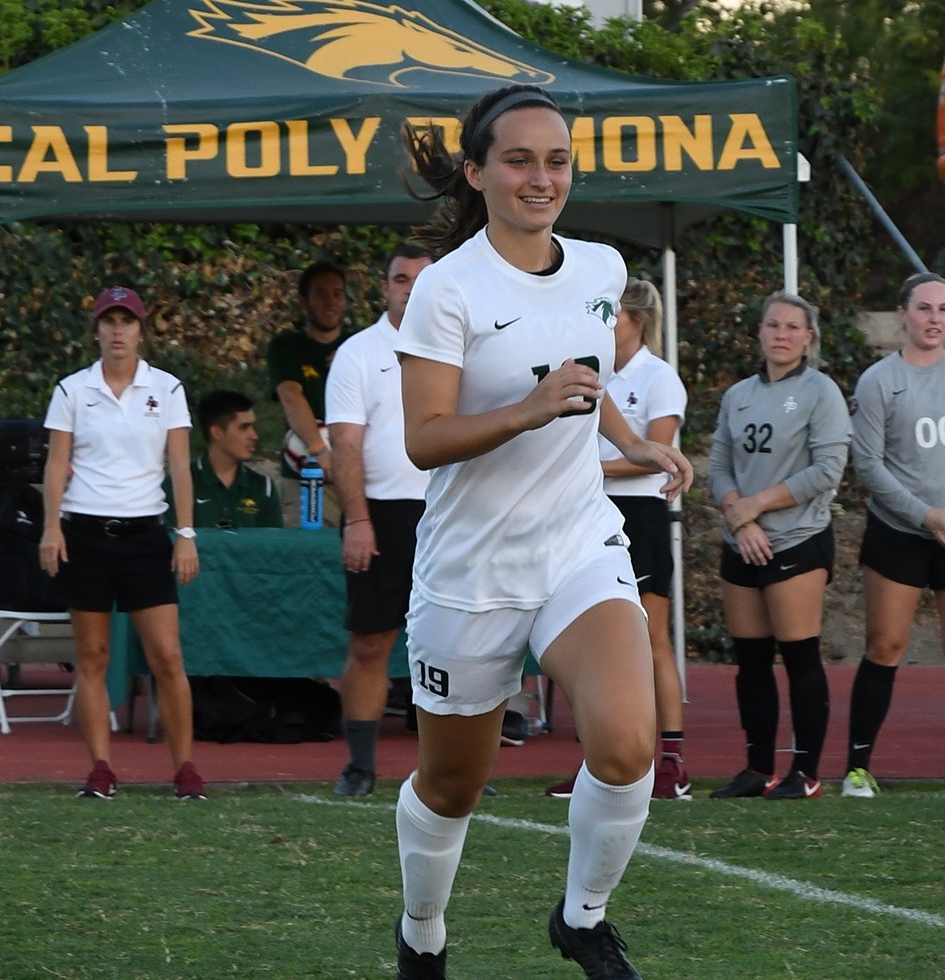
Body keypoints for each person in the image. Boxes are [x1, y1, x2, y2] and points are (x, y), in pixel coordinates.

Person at [390, 84, 691, 980]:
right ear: (477, 173)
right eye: (518, 159)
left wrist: (636, 441)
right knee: (453, 787)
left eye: (556, 159)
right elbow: (423, 439)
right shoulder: (445, 289)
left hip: (576, 542)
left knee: (629, 742)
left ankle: (582, 918)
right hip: (470, 570)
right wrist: (525, 410)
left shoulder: (600, 269)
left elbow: (581, 385)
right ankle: (422, 932)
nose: (541, 176)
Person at [840, 272, 945, 798]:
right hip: (900, 531)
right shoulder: (878, 381)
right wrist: (924, 516)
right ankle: (857, 769)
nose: (936, 318)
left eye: (944, 309)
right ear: (903, 313)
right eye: (925, 308)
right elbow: (868, 465)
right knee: (886, 645)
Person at [38, 286, 204, 800]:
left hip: (144, 534)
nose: (117, 331)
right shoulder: (72, 390)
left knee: (167, 656)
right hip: (86, 532)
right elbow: (55, 463)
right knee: (92, 655)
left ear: (141, 329)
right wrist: (51, 527)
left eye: (126, 322)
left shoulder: (168, 389)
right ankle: (101, 767)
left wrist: (186, 534)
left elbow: (178, 464)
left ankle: (185, 768)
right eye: (108, 322)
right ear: (95, 330)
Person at [547, 277, 693, 801]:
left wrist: (586, 463)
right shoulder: (592, 374)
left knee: (651, 641)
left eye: (611, 314)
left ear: (635, 319)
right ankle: (597, 763)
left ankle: (672, 765)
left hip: (640, 516)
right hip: (587, 512)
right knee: (590, 642)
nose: (604, 323)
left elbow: (654, 453)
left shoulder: (659, 377)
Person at [706, 292, 851, 801]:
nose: (781, 334)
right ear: (760, 332)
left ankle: (806, 772)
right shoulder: (739, 394)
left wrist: (759, 505)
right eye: (773, 325)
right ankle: (757, 768)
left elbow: (827, 471)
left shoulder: (820, 392)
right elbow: (719, 464)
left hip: (797, 538)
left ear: (809, 337)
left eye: (793, 327)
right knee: (750, 661)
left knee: (799, 656)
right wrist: (738, 516)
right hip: (741, 540)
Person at [326, 243, 434, 797]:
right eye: (400, 279)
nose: (410, 289)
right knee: (371, 642)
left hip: (451, 512)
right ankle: (361, 766)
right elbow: (345, 443)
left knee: (456, 646)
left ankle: (452, 767)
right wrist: (357, 520)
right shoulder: (358, 354)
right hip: (383, 514)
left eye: (421, 279)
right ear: (385, 287)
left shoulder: (462, 346)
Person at [268, 260, 349, 470]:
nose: (330, 302)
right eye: (321, 294)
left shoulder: (358, 345)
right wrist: (318, 449)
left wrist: (348, 361)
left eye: (337, 293)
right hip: (305, 469)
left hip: (355, 470)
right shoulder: (286, 346)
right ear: (303, 302)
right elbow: (290, 396)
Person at [181, 389, 281, 530]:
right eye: (244, 427)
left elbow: (274, 547)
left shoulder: (264, 488)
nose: (254, 435)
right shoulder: (179, 484)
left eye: (253, 426)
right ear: (217, 433)